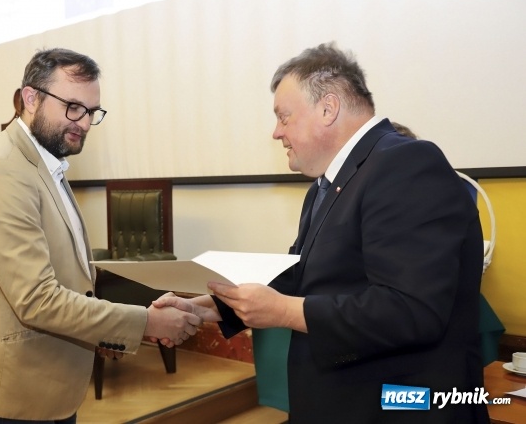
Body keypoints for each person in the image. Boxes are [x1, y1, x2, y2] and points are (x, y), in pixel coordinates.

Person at [154, 43, 489, 423]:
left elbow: (410, 310)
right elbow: (303, 276)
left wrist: (283, 311)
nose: (276, 133)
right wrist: (211, 306)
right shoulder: (327, 185)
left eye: (284, 117)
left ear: (328, 108)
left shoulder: (406, 163)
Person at [0, 48, 201, 423]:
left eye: (91, 112)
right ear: (31, 98)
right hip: (13, 389)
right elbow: (36, 300)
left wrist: (103, 332)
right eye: (72, 107)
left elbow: (68, 275)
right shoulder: (3, 172)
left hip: (50, 381)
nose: (83, 123)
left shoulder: (46, 164)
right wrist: (146, 322)